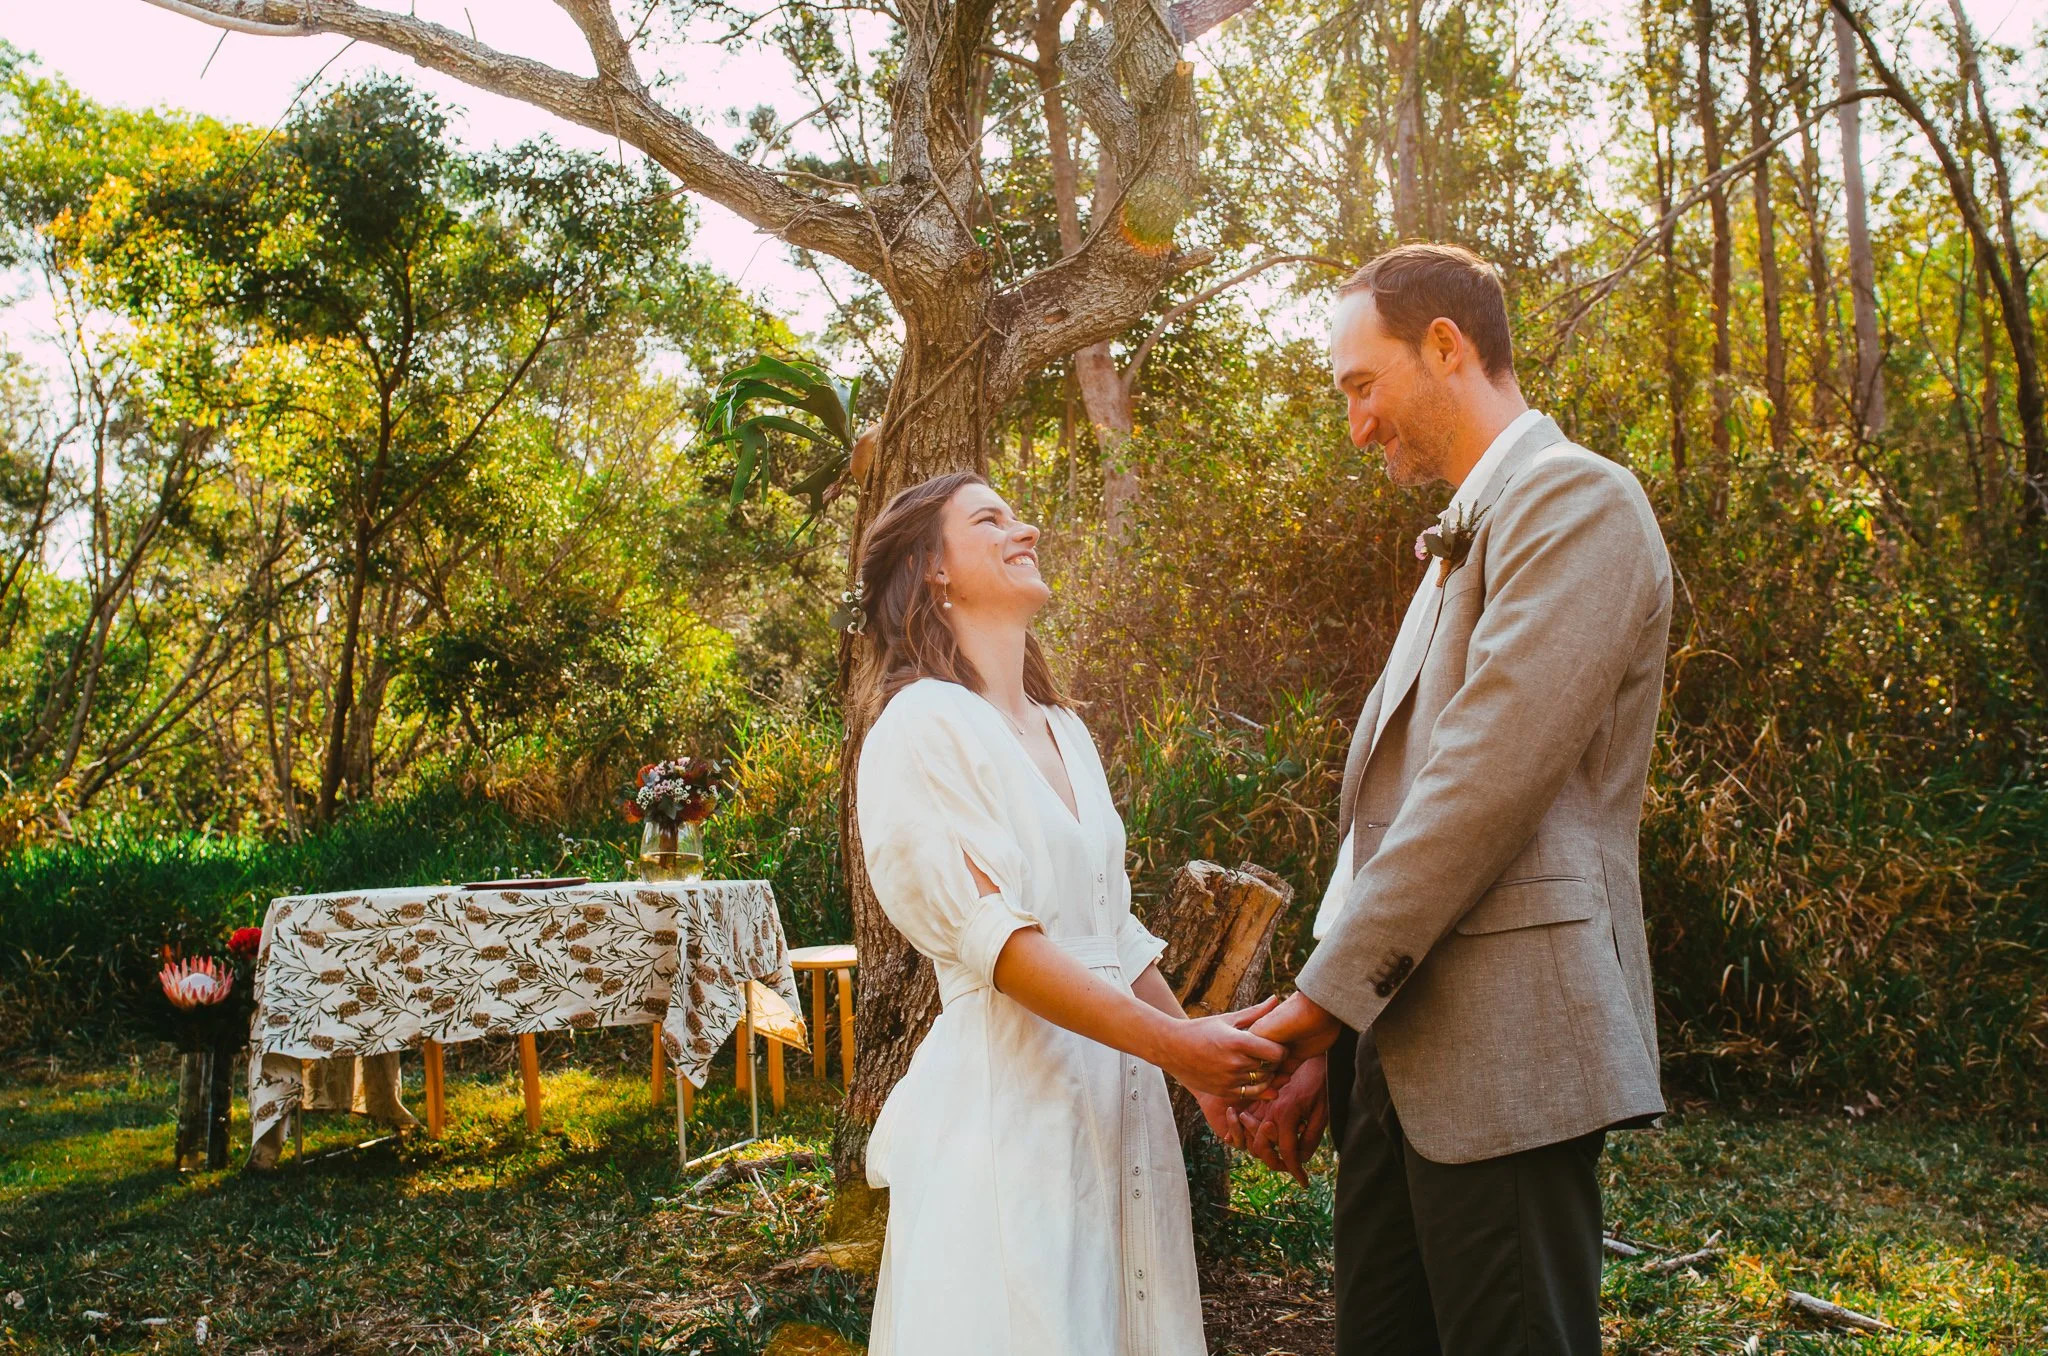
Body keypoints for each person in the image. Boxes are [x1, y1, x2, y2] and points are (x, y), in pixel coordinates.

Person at [1223, 243, 1673, 1356]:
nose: (1356, 424)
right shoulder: (1458, 540)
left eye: (1359, 385)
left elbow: (1480, 783)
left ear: (1444, 346)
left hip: (1507, 1046)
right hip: (1396, 1043)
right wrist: (1335, 1029)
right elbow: (1389, 811)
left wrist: (1312, 1009)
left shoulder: (1575, 502)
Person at [851, 470, 1286, 1356]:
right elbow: (998, 944)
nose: (1027, 529)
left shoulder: (1066, 732)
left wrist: (1197, 1067)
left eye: (1018, 515)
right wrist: (1171, 1046)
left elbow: (1113, 937)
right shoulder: (920, 726)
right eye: (990, 520)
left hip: (1121, 1121)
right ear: (931, 569)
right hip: (1012, 1120)